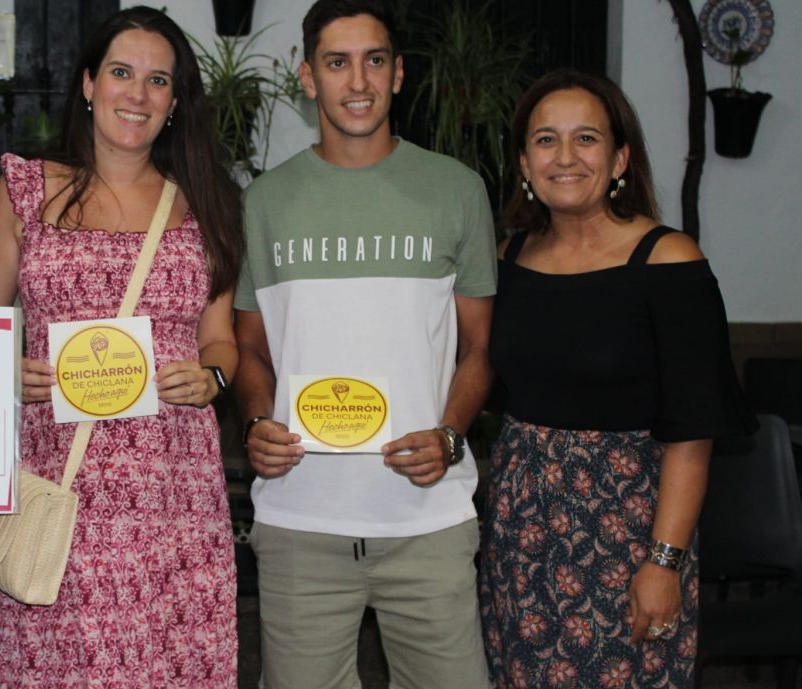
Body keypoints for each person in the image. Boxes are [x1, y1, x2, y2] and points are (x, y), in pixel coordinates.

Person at [0, 6, 242, 687]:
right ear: (88, 83)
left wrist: (211, 380)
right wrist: (4, 373)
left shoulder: (206, 202)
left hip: (174, 497)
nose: (136, 95)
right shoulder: (23, 191)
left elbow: (221, 340)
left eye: (157, 81)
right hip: (59, 493)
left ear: (175, 101)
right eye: (121, 72)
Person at [233, 1, 496, 687]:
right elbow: (250, 344)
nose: (358, 80)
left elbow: (481, 348)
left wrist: (450, 433)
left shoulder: (458, 191)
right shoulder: (265, 200)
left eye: (375, 60)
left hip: (428, 519)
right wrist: (257, 421)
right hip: (300, 518)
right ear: (308, 78)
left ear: (399, 74)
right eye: (337, 61)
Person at [478, 69, 756, 689]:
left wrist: (663, 563)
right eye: (546, 140)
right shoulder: (509, 260)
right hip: (521, 535)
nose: (566, 157)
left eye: (587, 139)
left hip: (628, 536)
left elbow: (693, 431)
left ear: (621, 156)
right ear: (524, 161)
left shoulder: (669, 260)